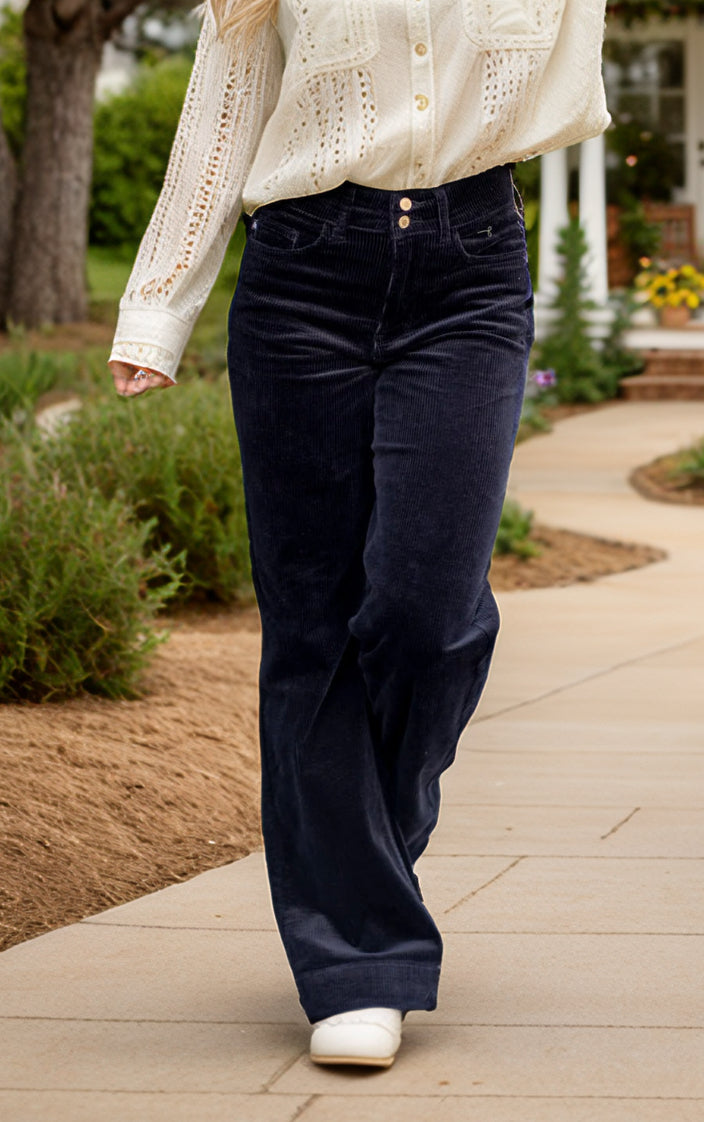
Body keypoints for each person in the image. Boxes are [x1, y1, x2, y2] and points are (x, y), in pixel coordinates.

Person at [109, 0, 610, 1068]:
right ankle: (357, 963)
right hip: (301, 274)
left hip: (471, 268)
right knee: (313, 628)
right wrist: (158, 306)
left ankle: (359, 851)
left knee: (431, 614)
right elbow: (224, 106)